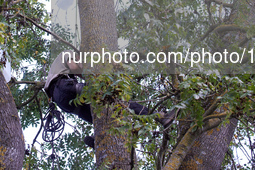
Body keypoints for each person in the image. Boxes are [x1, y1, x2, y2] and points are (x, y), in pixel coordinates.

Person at [44, 52, 175, 131]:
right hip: (65, 88)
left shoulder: (55, 70)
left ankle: (97, 139)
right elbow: (74, 67)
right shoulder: (67, 53)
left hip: (64, 104)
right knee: (115, 101)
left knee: (107, 116)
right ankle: (160, 116)